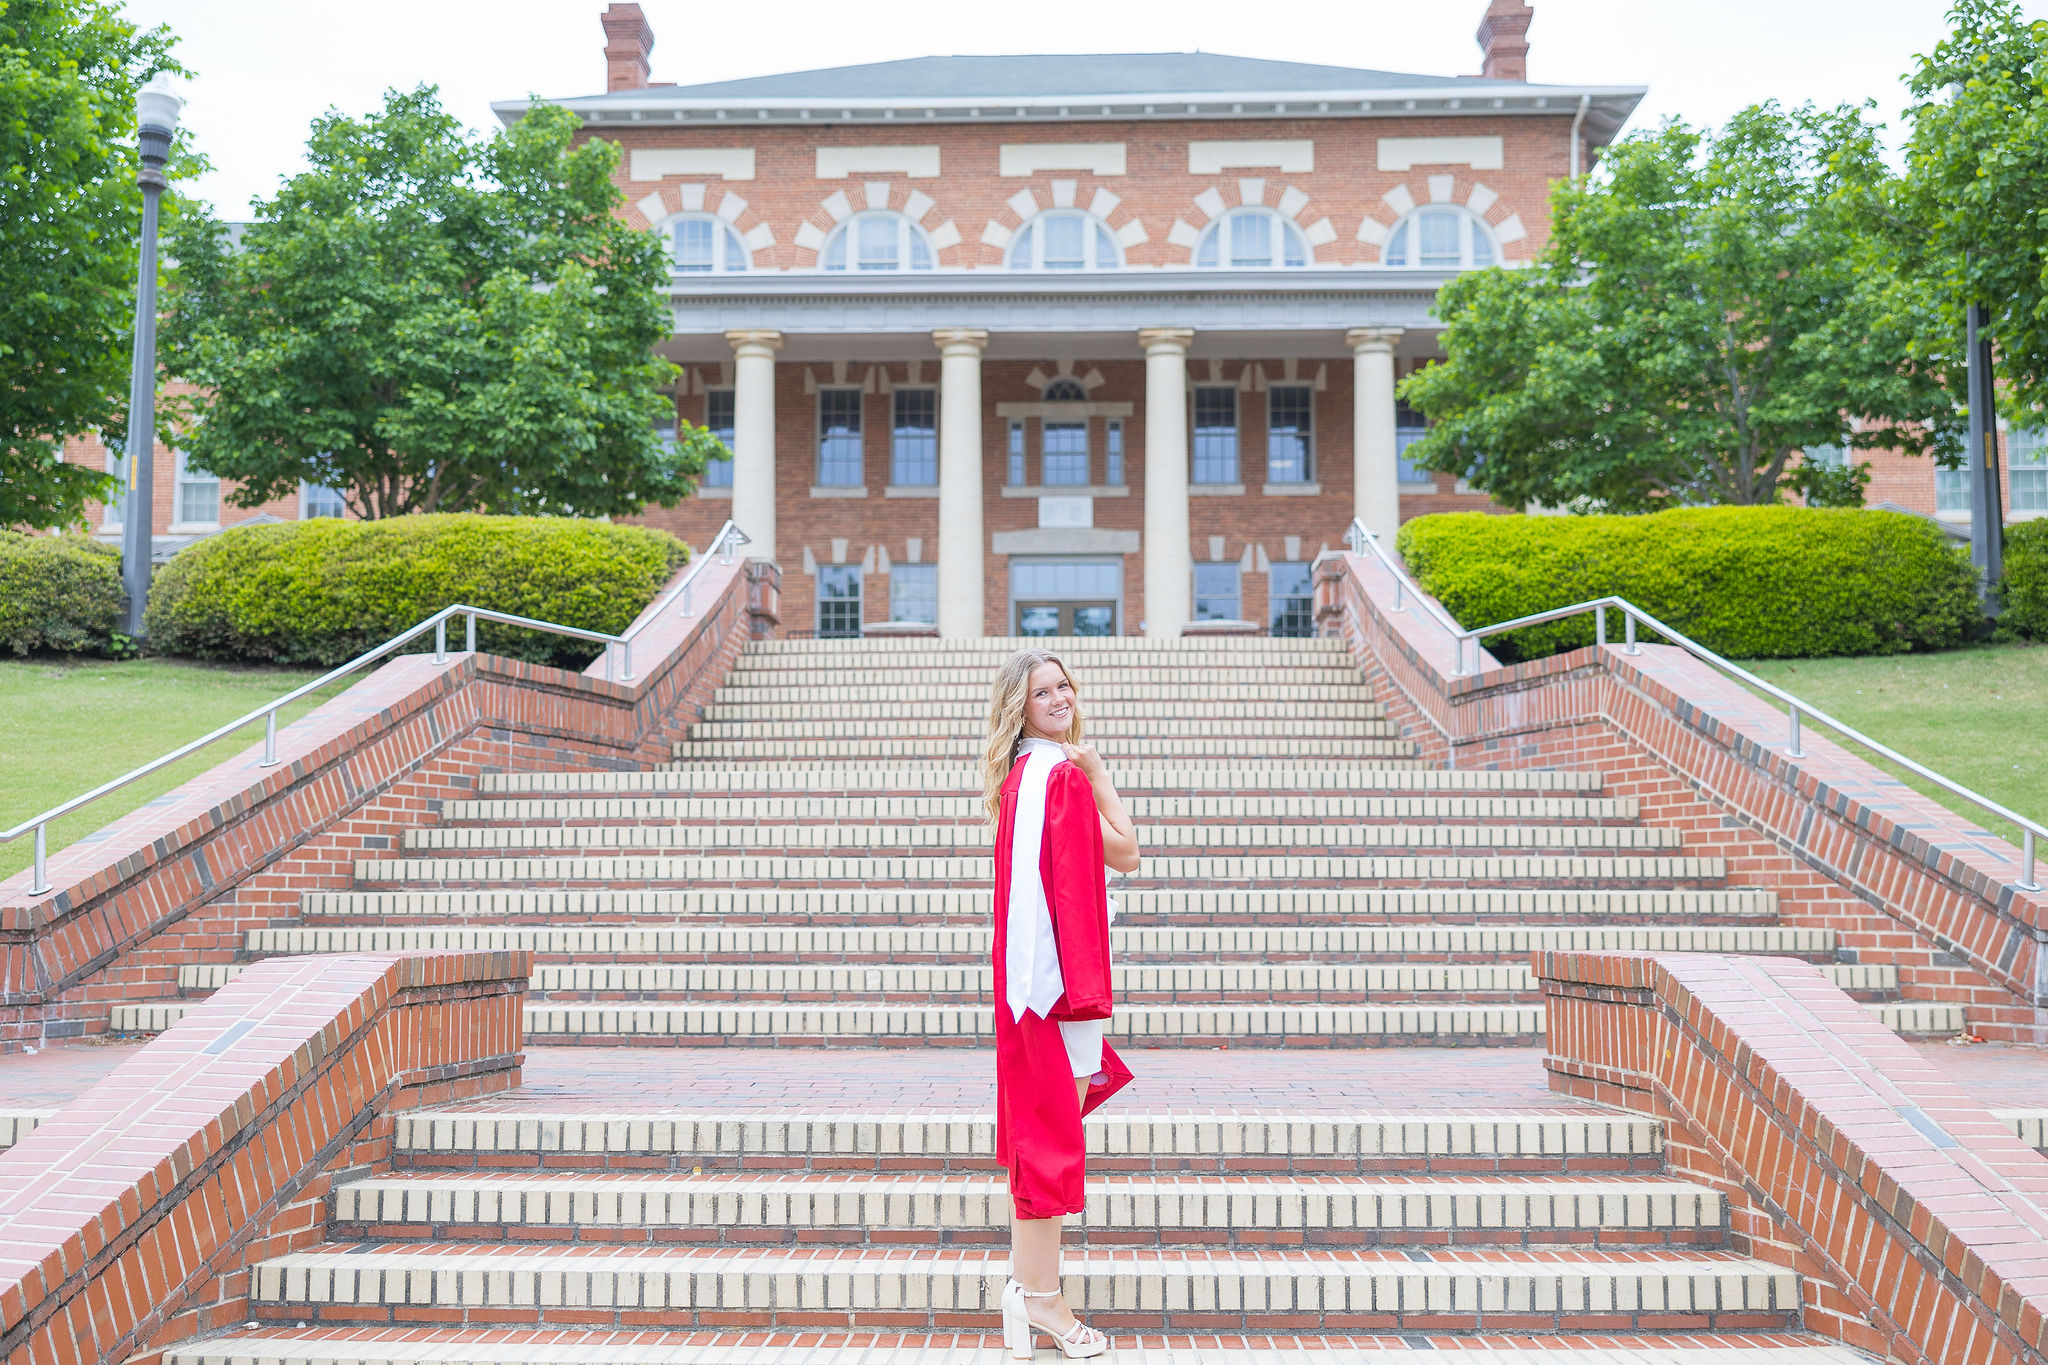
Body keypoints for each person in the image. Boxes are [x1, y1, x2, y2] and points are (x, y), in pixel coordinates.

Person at [982, 648, 1141, 1361]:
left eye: (1063, 685)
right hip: (1050, 994)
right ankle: (1041, 1298)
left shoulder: (1030, 777)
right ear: (1020, 706)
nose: (1058, 697)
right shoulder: (1057, 778)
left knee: (1040, 1142)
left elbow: (1115, 857)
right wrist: (1100, 774)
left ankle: (1027, 1288)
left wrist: (1094, 772)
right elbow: (1127, 854)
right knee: (1047, 1145)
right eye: (1042, 691)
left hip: (1035, 992)